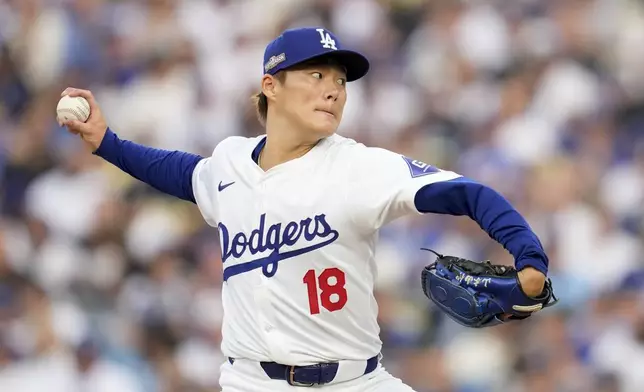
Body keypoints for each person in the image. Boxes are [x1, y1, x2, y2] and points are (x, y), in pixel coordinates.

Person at [60, 27, 549, 392]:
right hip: (252, 382)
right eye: (316, 74)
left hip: (356, 382)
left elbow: (469, 193)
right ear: (271, 86)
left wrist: (529, 258)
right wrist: (107, 143)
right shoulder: (231, 161)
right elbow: (183, 173)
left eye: (340, 80)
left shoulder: (359, 167)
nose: (333, 89)